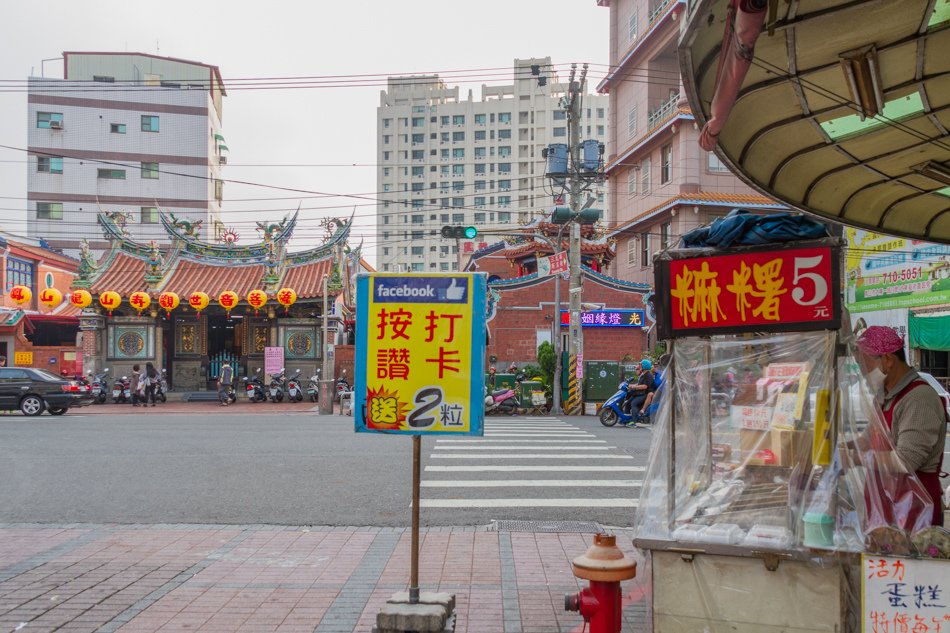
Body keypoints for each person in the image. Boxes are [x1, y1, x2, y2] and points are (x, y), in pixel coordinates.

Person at [855, 326, 947, 527]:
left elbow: (905, 461)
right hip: (883, 503)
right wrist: (842, 448)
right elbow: (868, 439)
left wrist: (856, 458)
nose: (863, 374)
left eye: (865, 366)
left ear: (887, 360)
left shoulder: (919, 398)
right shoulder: (883, 396)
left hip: (914, 507)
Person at [624, 359, 655, 425]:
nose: (639, 366)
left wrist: (634, 387)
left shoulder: (648, 375)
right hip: (640, 393)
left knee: (633, 403)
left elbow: (645, 386)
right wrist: (630, 385)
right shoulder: (643, 375)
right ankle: (626, 420)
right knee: (628, 403)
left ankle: (634, 422)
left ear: (644, 366)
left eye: (641, 365)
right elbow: (638, 384)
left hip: (645, 394)